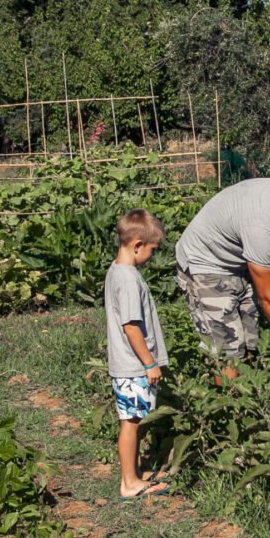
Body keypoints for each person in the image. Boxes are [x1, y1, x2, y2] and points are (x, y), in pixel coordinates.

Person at [175, 179, 270, 374]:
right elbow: (268, 299)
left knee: (250, 338)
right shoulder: (258, 227)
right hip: (205, 263)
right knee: (227, 348)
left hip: (240, 260)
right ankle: (227, 400)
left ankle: (249, 394)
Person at [105, 208, 170, 500]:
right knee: (130, 422)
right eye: (152, 250)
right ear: (137, 245)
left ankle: (135, 471)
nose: (152, 257)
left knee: (135, 418)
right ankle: (129, 482)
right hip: (134, 366)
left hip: (129, 365)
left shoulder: (116, 271)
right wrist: (149, 362)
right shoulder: (129, 279)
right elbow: (131, 327)